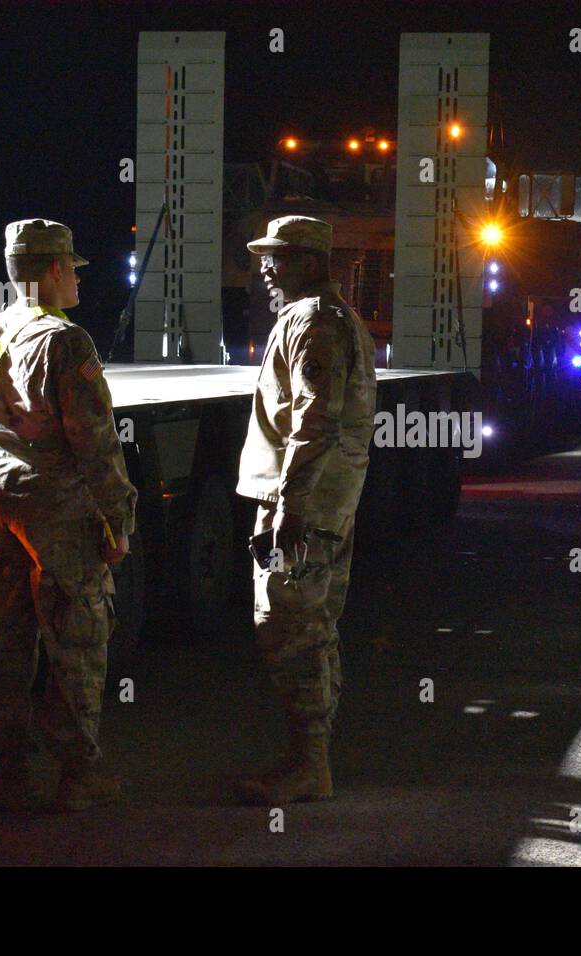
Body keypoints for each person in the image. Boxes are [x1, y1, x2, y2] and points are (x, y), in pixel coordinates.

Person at [0, 218, 137, 811]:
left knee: (5, 646)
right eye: (74, 270)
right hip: (58, 518)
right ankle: (78, 776)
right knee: (77, 643)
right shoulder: (67, 342)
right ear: (56, 269)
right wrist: (119, 516)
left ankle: (8, 777)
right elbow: (94, 441)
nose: (79, 282)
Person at [235, 215, 377, 805]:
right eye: (266, 256)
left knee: (289, 628)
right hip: (324, 500)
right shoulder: (325, 319)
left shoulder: (314, 322)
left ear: (313, 263)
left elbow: (313, 419)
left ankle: (308, 766)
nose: (266, 268)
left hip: (304, 504)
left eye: (281, 257)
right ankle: (308, 759)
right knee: (313, 628)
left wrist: (288, 506)